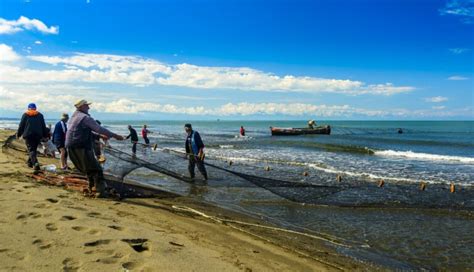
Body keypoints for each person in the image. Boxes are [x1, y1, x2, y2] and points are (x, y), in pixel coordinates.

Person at [66, 99, 124, 197]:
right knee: (96, 169)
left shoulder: (73, 117)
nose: (89, 107)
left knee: (88, 168)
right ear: (80, 107)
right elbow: (99, 128)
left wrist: (100, 136)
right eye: (86, 106)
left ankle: (91, 187)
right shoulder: (84, 117)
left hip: (71, 146)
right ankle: (99, 191)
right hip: (81, 146)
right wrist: (115, 135)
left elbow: (82, 131)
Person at [17, 103, 50, 171]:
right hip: (38, 135)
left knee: (31, 150)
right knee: (33, 149)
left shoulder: (25, 114)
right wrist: (45, 135)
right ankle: (29, 163)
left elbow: (21, 125)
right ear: (35, 108)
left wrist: (19, 134)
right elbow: (43, 126)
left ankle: (35, 164)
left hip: (28, 135)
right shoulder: (40, 115)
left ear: (28, 108)